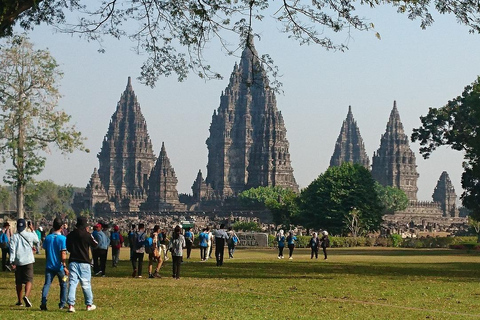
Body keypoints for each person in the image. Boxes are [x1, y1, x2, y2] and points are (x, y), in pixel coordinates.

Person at [66, 216, 98, 312]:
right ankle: (89, 304)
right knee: (86, 283)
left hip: (73, 261)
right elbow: (96, 244)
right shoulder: (87, 235)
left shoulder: (71, 235)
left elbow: (68, 248)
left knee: (72, 283)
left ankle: (71, 305)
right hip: (84, 262)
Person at [40, 217, 69, 311]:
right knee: (64, 283)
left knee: (47, 284)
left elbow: (46, 252)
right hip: (59, 267)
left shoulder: (48, 238)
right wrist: (64, 266)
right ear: (61, 227)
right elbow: (63, 253)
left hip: (49, 266)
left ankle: (43, 302)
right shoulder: (62, 238)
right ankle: (62, 303)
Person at [9, 218, 39, 307]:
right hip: (28, 260)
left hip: (18, 261)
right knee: (29, 280)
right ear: (26, 226)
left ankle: (19, 300)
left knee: (18, 282)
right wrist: (32, 229)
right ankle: (26, 296)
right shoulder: (29, 235)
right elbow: (37, 240)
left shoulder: (14, 236)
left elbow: (12, 249)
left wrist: (12, 261)